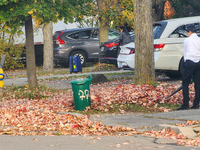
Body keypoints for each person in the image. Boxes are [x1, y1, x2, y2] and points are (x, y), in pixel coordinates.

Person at [177, 25, 200, 110]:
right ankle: (196, 103)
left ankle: (185, 104)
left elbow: (185, 52)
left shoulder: (187, 40)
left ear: (190, 31)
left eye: (187, 33)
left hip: (190, 62)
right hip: (198, 62)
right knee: (198, 84)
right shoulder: (199, 40)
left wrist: (185, 63)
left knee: (185, 83)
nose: (187, 34)